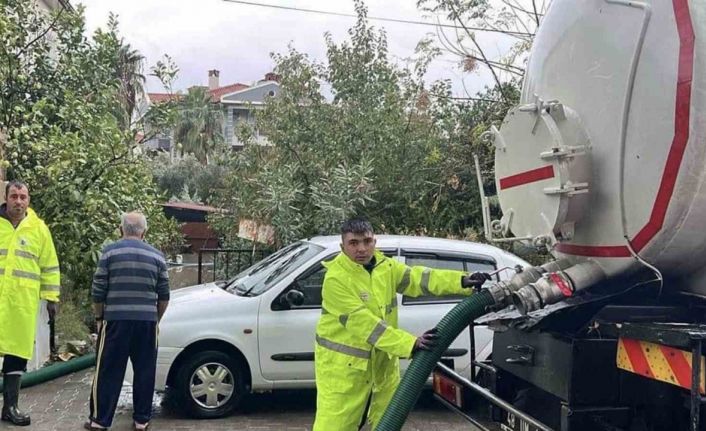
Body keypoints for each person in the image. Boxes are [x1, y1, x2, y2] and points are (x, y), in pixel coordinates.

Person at [312, 218, 491, 430]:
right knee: (336, 425)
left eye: (366, 241)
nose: (361, 248)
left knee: (386, 423)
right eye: (353, 243)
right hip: (344, 372)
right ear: (343, 247)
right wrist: (410, 343)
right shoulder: (336, 279)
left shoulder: (384, 267)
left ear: (374, 242)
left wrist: (462, 280)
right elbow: (365, 325)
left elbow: (420, 279)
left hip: (383, 368)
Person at [85, 212, 170, 431]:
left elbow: (98, 291)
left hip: (115, 322)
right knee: (144, 371)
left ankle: (100, 421)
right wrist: (154, 319)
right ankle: (142, 420)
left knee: (108, 371)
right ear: (145, 232)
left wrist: (99, 317)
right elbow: (164, 296)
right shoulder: (158, 256)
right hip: (146, 323)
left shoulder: (109, 253)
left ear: (120, 230)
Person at [0, 180, 60, 427]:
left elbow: (49, 266)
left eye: (23, 197)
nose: (18, 201)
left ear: (29, 200)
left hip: (21, 305)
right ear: (6, 198)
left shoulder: (39, 229)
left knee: (16, 355)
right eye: (14, 196)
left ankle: (10, 407)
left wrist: (52, 298)